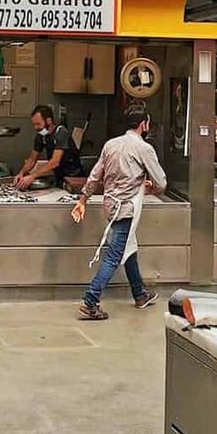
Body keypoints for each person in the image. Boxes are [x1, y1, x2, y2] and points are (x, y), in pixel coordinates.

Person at [71, 104, 164, 320]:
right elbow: (161, 182)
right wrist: (151, 187)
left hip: (111, 206)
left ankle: (140, 295)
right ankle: (90, 301)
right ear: (143, 124)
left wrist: (83, 199)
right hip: (127, 209)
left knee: (128, 247)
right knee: (114, 255)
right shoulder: (144, 149)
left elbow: (95, 175)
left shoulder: (111, 144)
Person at [15, 104, 83, 189]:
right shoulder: (41, 135)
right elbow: (32, 159)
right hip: (59, 178)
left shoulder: (61, 133)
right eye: (34, 124)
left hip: (73, 179)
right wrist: (22, 173)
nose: (36, 127)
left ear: (48, 121)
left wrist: (32, 176)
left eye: (38, 124)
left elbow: (55, 162)